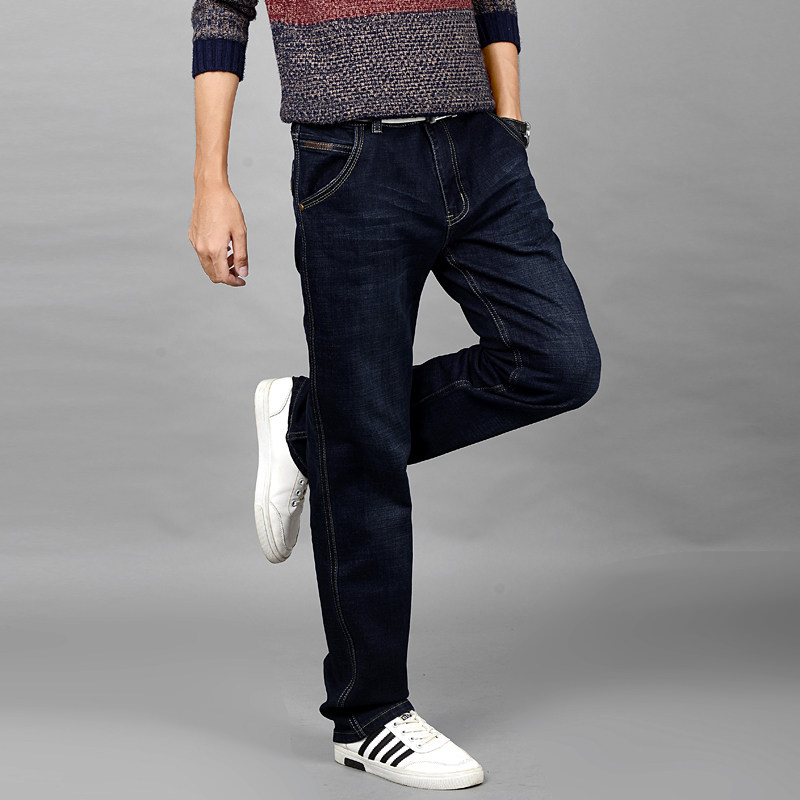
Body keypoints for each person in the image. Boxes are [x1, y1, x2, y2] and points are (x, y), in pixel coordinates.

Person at [188, 1, 601, 790]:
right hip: (353, 158)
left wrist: (508, 128)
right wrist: (212, 182)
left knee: (558, 363)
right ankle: (368, 717)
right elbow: (220, 11)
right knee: (364, 444)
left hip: (479, 149)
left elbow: (494, 2)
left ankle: (307, 428)